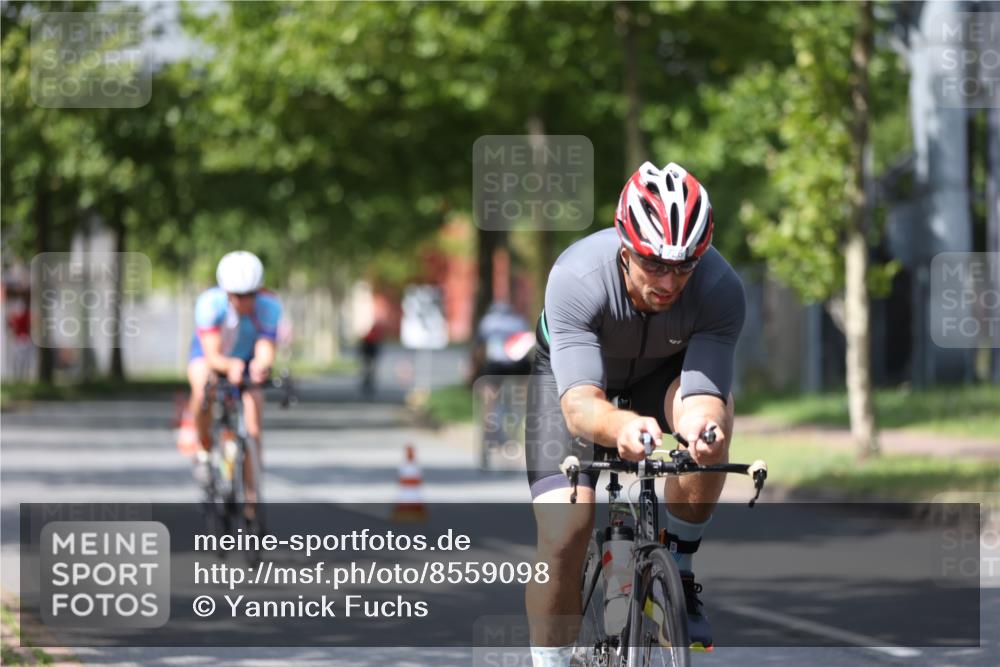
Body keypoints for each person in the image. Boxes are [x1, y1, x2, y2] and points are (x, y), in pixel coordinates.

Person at [524, 161, 746, 664]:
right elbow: (581, 406)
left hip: (659, 379)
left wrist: (698, 429)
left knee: (716, 426)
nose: (670, 281)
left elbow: (702, 395)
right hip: (573, 384)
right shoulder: (576, 276)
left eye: (684, 266)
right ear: (626, 249)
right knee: (566, 532)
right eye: (655, 265)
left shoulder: (719, 289)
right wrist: (622, 425)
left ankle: (681, 572)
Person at [187, 251, 282, 519]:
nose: (246, 301)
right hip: (211, 357)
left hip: (246, 358)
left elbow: (265, 349)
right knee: (202, 385)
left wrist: (261, 366)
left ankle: (252, 499)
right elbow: (213, 354)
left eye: (251, 294)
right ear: (227, 293)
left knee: (253, 426)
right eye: (239, 296)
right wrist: (230, 366)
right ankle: (204, 450)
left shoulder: (269, 306)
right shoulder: (210, 304)